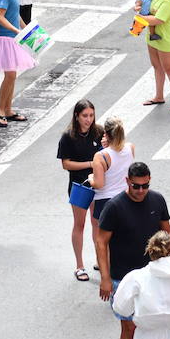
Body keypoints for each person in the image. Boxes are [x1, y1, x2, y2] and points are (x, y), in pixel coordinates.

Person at [95, 162, 170, 339]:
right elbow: (101, 242)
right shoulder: (114, 207)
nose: (141, 190)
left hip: (153, 276)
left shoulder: (157, 201)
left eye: (145, 186)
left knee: (151, 328)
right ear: (127, 182)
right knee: (129, 329)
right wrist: (106, 278)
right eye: (135, 186)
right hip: (124, 278)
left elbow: (168, 232)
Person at [57, 100, 100, 281]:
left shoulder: (99, 131)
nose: (88, 120)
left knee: (97, 223)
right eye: (84, 116)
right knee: (80, 224)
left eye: (91, 115)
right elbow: (66, 164)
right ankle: (79, 265)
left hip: (98, 184)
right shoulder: (68, 136)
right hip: (79, 186)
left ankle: (100, 259)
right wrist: (90, 164)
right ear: (77, 116)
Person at [90, 116, 135, 245]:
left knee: (104, 242)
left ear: (106, 134)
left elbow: (99, 184)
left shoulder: (101, 156)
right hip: (125, 198)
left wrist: (91, 179)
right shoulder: (130, 148)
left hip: (105, 201)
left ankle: (104, 264)